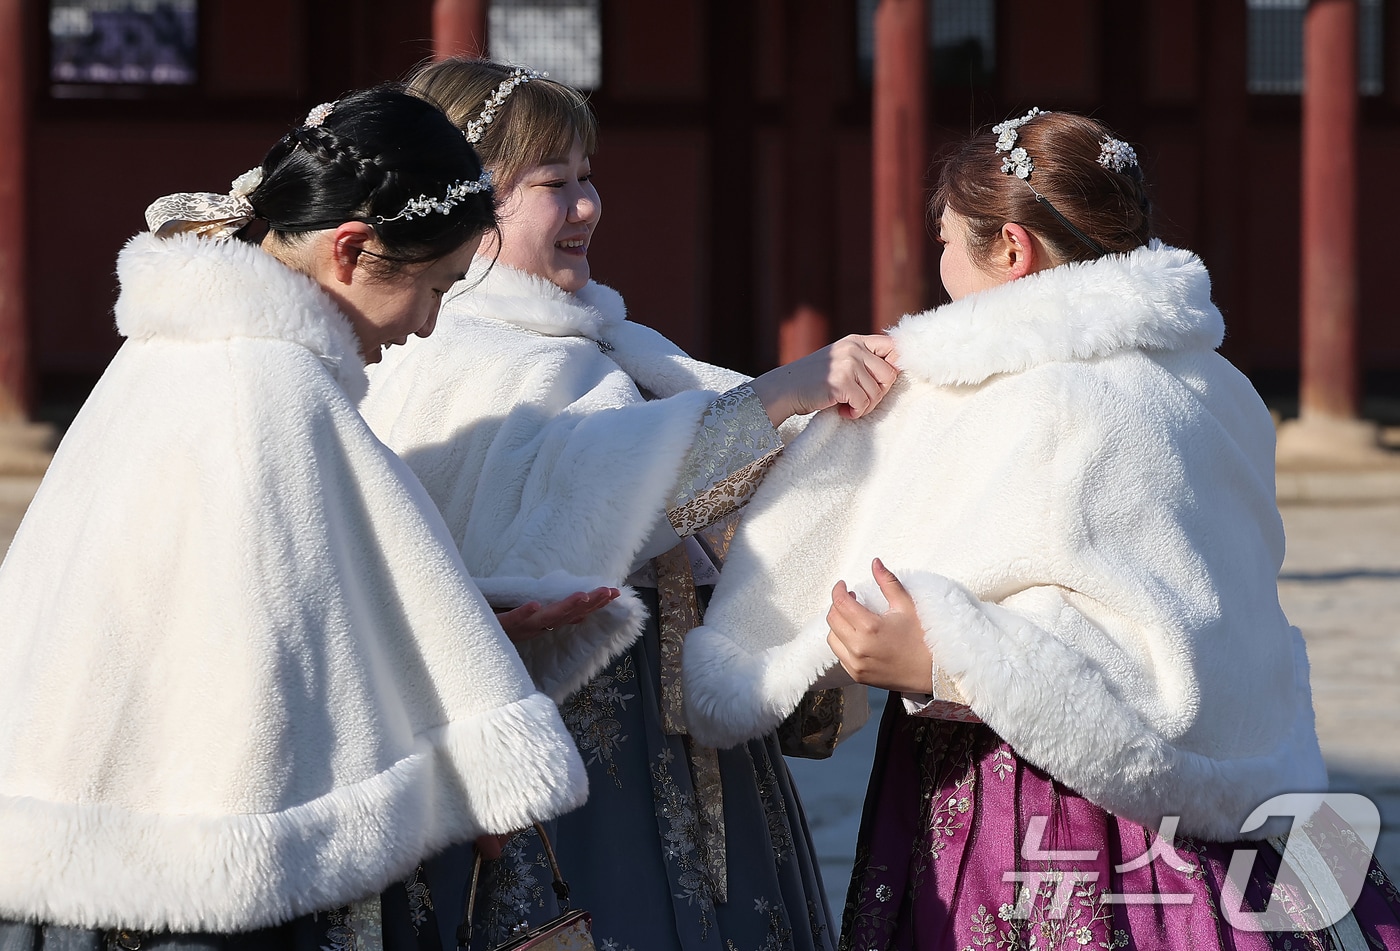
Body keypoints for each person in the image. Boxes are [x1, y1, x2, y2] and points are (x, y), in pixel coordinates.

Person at [679, 109, 1400, 949]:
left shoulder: (991, 394)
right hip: (1233, 790)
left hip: (1034, 792)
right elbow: (1199, 616)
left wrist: (944, 660)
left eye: (948, 242)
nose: (939, 268)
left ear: (1013, 249)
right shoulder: (1221, 386)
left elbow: (787, 520)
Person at [0, 85, 597, 950]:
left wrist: (467, 616)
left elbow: (247, 619)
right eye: (433, 287)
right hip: (208, 881)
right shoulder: (272, 387)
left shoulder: (172, 353)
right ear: (350, 249)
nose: (428, 324)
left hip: (83, 842)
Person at [359, 58, 898, 951]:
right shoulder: (450, 354)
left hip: (682, 738)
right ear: (472, 198)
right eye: (554, 183)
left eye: (587, 176)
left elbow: (657, 484)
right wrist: (777, 396)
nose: (586, 207)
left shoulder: (617, 346)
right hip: (566, 748)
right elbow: (595, 502)